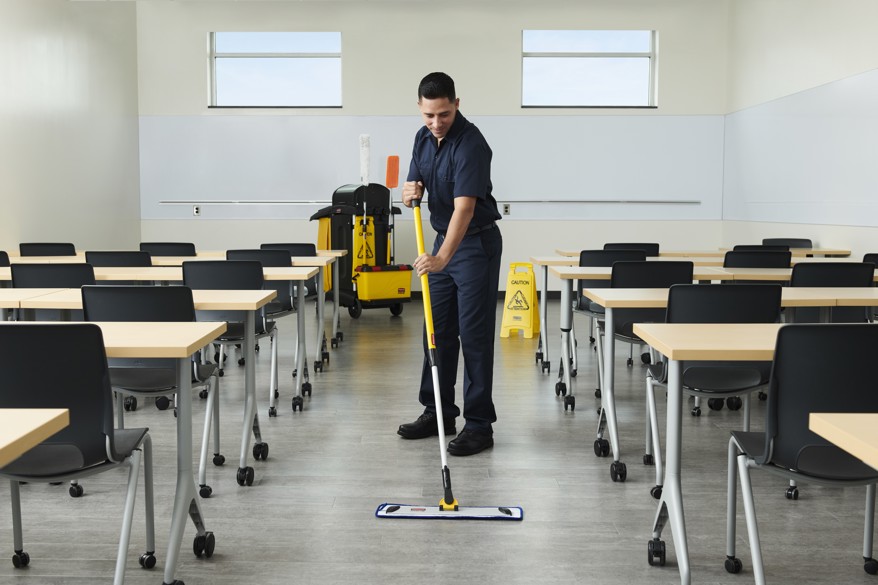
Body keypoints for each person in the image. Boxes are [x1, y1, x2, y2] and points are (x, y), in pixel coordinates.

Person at [397, 72, 503, 456]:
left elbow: (465, 208)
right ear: (420, 109)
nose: (436, 122)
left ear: (456, 104)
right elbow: (412, 188)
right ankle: (437, 412)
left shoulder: (471, 144)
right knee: (436, 331)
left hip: (474, 244)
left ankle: (479, 426)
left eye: (443, 113)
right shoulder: (422, 137)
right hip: (443, 243)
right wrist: (409, 192)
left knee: (473, 336)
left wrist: (442, 258)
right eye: (429, 115)